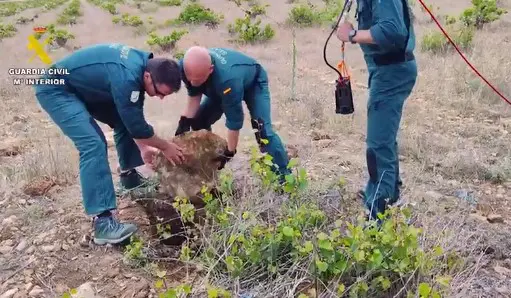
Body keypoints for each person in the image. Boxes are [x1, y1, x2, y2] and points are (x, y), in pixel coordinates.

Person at [33, 43, 185, 245]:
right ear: (148, 76)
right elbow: (138, 127)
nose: (160, 98)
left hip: (82, 88)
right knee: (93, 144)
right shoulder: (127, 77)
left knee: (123, 120)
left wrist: (143, 147)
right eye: (159, 92)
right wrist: (165, 146)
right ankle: (102, 222)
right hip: (57, 89)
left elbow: (133, 121)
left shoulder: (140, 68)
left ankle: (129, 178)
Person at [335, 0, 417, 221]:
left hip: (392, 72)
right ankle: (389, 194)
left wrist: (352, 34)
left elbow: (391, 31)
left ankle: (378, 214)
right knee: (384, 140)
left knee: (378, 144)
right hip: (384, 70)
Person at [173, 46, 291, 181]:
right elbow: (194, 94)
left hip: (253, 84)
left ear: (210, 69)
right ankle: (207, 162)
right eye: (190, 79)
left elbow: (234, 121)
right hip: (219, 85)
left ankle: (284, 178)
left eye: (198, 79)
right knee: (198, 120)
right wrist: (185, 121)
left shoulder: (227, 80)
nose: (193, 83)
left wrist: (229, 152)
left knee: (263, 130)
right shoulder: (186, 66)